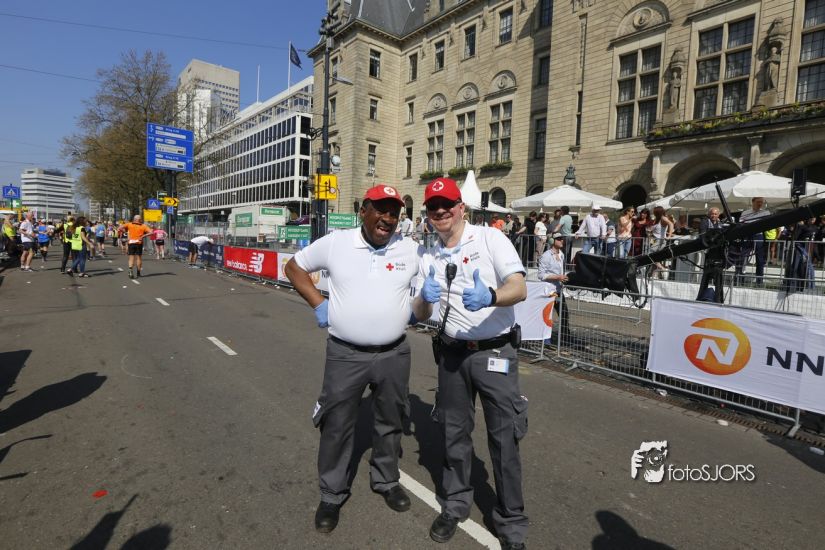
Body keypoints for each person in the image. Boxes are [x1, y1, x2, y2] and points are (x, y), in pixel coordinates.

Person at [284, 184, 419, 534]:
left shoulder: (410, 248)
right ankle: (332, 493)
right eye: (381, 210)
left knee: (391, 420)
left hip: (394, 353)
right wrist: (318, 303)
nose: (388, 218)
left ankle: (386, 480)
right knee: (337, 424)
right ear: (363, 211)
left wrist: (423, 305)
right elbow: (294, 267)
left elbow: (427, 291)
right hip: (346, 354)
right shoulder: (336, 242)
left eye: (394, 212)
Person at [412, 177, 529, 549]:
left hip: (495, 354)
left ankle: (511, 524)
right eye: (433, 207)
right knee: (453, 433)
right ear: (428, 215)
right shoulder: (428, 254)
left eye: (447, 204)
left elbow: (520, 287)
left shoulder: (490, 238)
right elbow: (419, 313)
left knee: (504, 439)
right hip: (452, 355)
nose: (441, 211)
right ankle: (456, 504)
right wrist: (424, 299)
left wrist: (491, 296)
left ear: (461, 207)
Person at [537, 233, 571, 347]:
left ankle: (565, 338)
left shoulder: (561, 254)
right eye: (559, 239)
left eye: (562, 239)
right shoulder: (546, 256)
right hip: (549, 290)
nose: (562, 241)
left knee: (564, 313)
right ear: (553, 241)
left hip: (558, 289)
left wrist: (563, 278)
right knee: (548, 315)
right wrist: (558, 277)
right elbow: (541, 275)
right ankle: (546, 340)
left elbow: (561, 271)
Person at [735, 197, 771, 286]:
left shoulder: (765, 213)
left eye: (761, 202)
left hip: (759, 236)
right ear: (753, 202)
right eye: (758, 202)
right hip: (747, 236)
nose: (760, 204)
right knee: (743, 257)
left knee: (760, 259)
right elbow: (741, 224)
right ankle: (740, 279)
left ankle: (759, 280)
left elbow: (768, 224)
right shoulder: (745, 213)